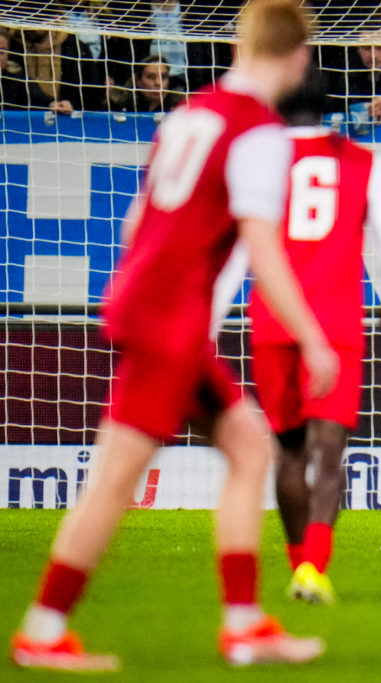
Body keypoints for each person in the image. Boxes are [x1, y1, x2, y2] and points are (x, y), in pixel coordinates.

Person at [10, 0, 336, 671]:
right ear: (300, 56)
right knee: (114, 479)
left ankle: (244, 622)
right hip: (170, 321)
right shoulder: (259, 133)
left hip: (150, 305)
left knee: (249, 447)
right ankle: (42, 628)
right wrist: (313, 337)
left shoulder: (190, 114)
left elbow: (137, 223)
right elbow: (263, 249)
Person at [247, 68, 381, 605]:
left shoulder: (256, 160)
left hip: (272, 321)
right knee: (330, 453)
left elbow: (231, 246)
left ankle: (300, 568)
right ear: (329, 108)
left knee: (288, 453)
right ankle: (315, 568)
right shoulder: (362, 160)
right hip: (336, 324)